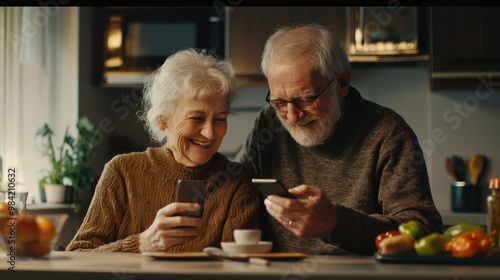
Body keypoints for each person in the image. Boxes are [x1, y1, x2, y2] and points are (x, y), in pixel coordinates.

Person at [235, 23, 443, 256]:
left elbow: (423, 231)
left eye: (306, 99)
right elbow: (231, 193)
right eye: (280, 102)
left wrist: (336, 223)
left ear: (342, 82)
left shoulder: (388, 134)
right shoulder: (268, 124)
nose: (292, 116)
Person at [66, 49, 259, 253]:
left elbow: (237, 271)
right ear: (162, 119)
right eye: (196, 118)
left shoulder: (237, 182)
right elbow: (78, 256)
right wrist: (143, 244)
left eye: (220, 119)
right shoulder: (122, 172)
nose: (210, 133)